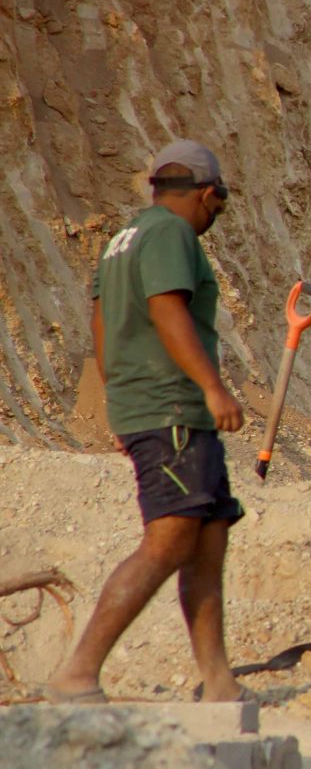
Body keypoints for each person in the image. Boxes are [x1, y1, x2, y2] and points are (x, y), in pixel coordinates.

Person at [47, 141, 248, 703]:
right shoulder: (171, 235)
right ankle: (79, 670)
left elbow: (102, 324)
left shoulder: (121, 240)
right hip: (174, 407)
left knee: (207, 539)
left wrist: (119, 402)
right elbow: (166, 309)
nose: (214, 218)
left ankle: (218, 682)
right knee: (169, 540)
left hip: (150, 405)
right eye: (219, 206)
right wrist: (212, 387)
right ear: (208, 194)